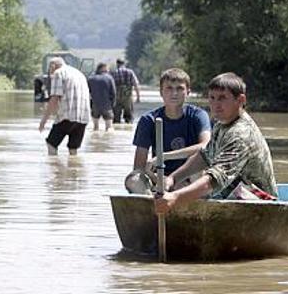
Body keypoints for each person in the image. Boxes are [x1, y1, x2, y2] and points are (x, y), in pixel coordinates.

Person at [154, 73, 277, 216]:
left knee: (202, 188)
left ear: (240, 100)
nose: (215, 104)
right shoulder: (222, 123)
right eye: (212, 98)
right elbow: (204, 156)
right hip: (240, 194)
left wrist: (175, 198)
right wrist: (173, 178)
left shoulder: (240, 134)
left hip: (262, 204)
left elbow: (214, 179)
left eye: (222, 98)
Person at [132, 68, 211, 176]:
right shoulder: (148, 120)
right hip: (159, 177)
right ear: (161, 92)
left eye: (179, 89)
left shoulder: (198, 115)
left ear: (188, 92)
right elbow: (139, 167)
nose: (174, 93)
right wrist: (157, 179)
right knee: (133, 179)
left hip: (190, 176)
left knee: (199, 173)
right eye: (169, 88)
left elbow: (206, 146)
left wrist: (164, 156)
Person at [38, 57, 91, 155]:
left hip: (67, 116)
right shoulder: (79, 74)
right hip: (83, 118)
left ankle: (54, 168)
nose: (50, 72)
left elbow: (54, 99)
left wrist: (43, 121)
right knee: (73, 149)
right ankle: (74, 169)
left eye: (50, 69)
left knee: (51, 144)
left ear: (53, 66)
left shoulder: (58, 73)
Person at [88, 62, 116, 131]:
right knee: (109, 128)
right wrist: (112, 104)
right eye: (107, 68)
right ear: (103, 68)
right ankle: (108, 140)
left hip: (95, 105)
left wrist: (90, 105)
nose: (108, 70)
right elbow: (113, 93)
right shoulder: (109, 78)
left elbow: (87, 93)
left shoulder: (91, 78)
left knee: (95, 128)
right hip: (107, 105)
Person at [110, 58, 141, 124]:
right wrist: (138, 97)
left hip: (116, 98)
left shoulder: (113, 72)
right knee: (129, 118)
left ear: (117, 64)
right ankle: (129, 131)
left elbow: (109, 86)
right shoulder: (130, 72)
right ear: (124, 64)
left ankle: (116, 132)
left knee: (116, 119)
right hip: (128, 98)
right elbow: (136, 85)